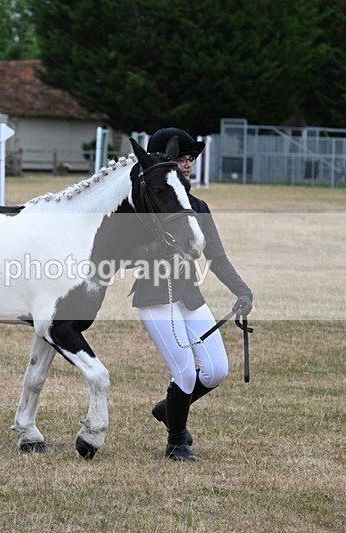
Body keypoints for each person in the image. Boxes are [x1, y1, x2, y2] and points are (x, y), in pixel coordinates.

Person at [130, 127, 253, 462]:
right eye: (180, 158)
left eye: (190, 159)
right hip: (156, 297)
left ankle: (169, 408)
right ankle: (176, 442)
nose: (187, 165)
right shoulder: (142, 204)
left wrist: (241, 290)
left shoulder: (198, 205)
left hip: (190, 296)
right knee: (184, 371)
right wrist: (157, 245)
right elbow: (123, 256)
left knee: (215, 371)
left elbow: (217, 257)